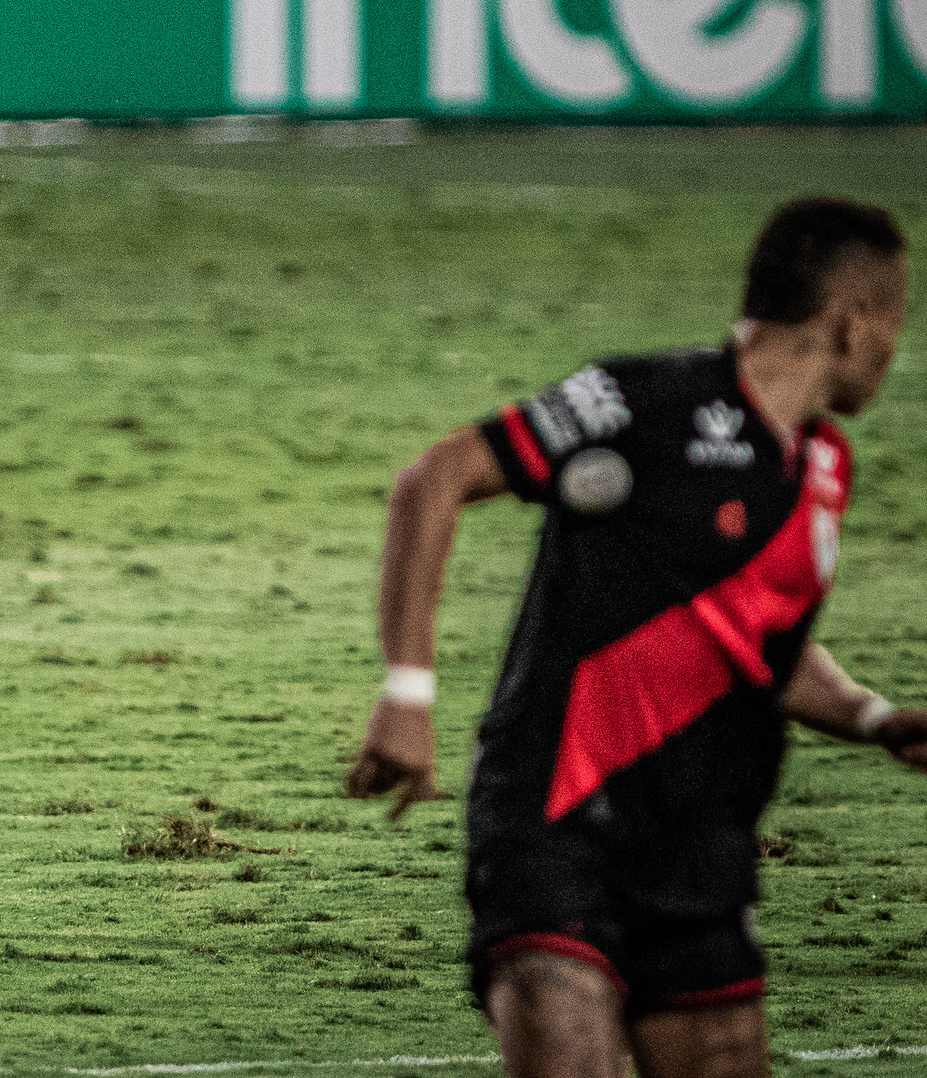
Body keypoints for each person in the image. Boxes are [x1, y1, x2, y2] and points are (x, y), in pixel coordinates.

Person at [346, 197, 927, 1077]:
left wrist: (874, 717)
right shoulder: (641, 399)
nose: (895, 349)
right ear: (850, 326)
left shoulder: (823, 468)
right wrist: (407, 693)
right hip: (557, 816)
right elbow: (437, 478)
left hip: (701, 847)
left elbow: (755, 646)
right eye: (895, 323)